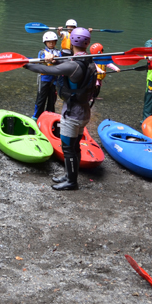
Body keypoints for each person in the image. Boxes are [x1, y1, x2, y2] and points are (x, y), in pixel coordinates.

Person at [23, 27, 97, 191]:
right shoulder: (89, 61)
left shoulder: (73, 66)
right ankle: (69, 175)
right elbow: (63, 64)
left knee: (68, 149)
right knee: (75, 146)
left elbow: (46, 70)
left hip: (72, 113)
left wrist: (26, 64)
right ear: (88, 43)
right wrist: (55, 59)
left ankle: (71, 182)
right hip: (84, 111)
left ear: (71, 41)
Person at [33, 31, 61, 120]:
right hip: (44, 79)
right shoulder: (42, 52)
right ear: (45, 42)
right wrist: (47, 60)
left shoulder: (58, 52)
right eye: (49, 42)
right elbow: (40, 63)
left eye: (53, 41)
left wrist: (55, 61)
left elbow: (61, 63)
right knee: (41, 99)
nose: (51, 43)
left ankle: (50, 117)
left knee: (52, 100)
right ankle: (36, 117)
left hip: (54, 80)